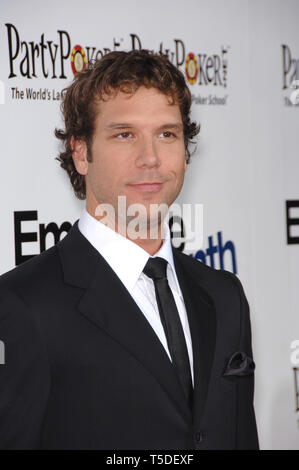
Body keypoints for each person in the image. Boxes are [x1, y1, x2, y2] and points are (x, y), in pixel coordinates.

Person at [0, 50, 259, 450]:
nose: (151, 158)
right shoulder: (23, 304)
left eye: (167, 134)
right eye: (125, 134)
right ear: (81, 153)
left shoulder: (225, 296)